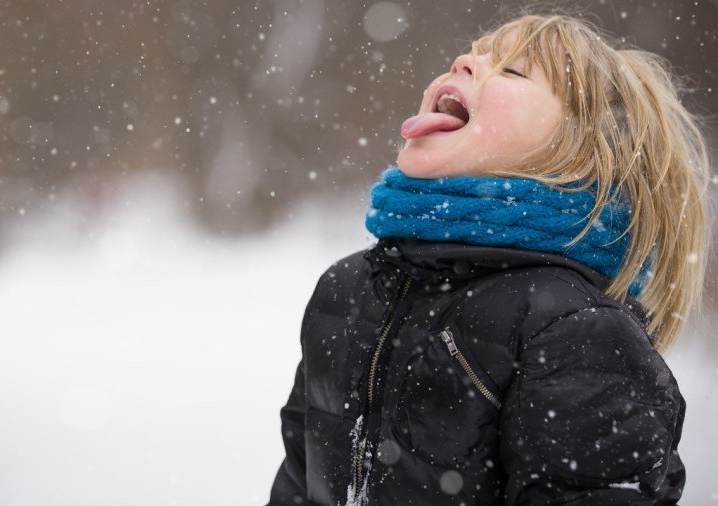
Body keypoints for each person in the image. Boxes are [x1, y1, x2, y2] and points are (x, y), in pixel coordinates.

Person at [266, 11, 713, 506]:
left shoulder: (577, 331)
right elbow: (299, 484)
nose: (464, 61)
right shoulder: (348, 288)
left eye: (514, 70)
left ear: (580, 152)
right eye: (475, 53)